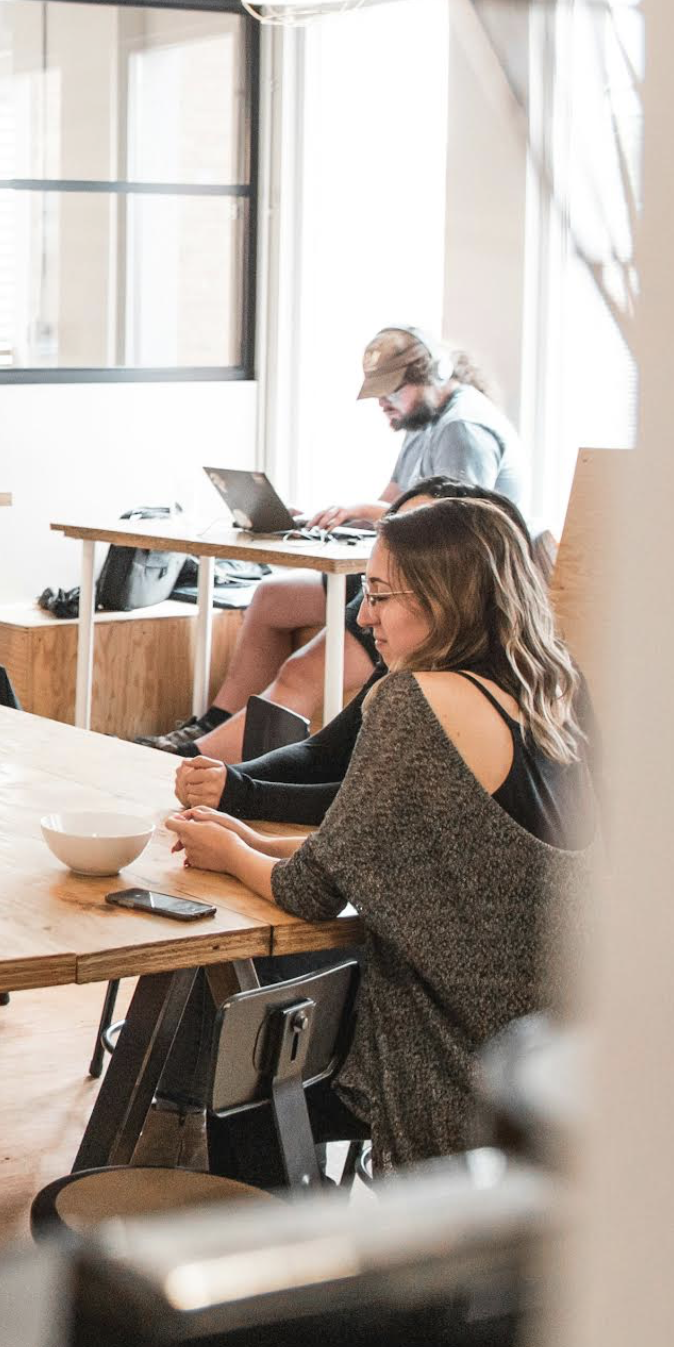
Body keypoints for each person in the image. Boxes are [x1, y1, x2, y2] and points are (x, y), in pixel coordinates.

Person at [167, 496, 592, 1172]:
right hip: (548, 1048)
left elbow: (309, 891)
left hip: (455, 1059)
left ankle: (273, 1261)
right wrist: (244, 841)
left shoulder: (418, 699)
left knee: (240, 1078)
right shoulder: (545, 694)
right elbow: (378, 850)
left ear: (443, 598)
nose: (364, 618)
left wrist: (228, 851)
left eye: (378, 595)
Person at [141, 327, 527, 757]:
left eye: (391, 392)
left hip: (438, 592)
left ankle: (199, 761)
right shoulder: (423, 421)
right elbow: (394, 504)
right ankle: (212, 725)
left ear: (432, 376)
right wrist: (335, 519)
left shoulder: (464, 429)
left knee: (302, 671)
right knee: (270, 598)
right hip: (406, 575)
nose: (383, 403)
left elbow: (454, 530)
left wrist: (364, 511)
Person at [172, 478, 542, 826]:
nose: (364, 617)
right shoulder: (431, 663)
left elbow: (363, 816)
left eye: (381, 594)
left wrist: (238, 793)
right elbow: (327, 755)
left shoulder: (440, 695)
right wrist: (226, 779)